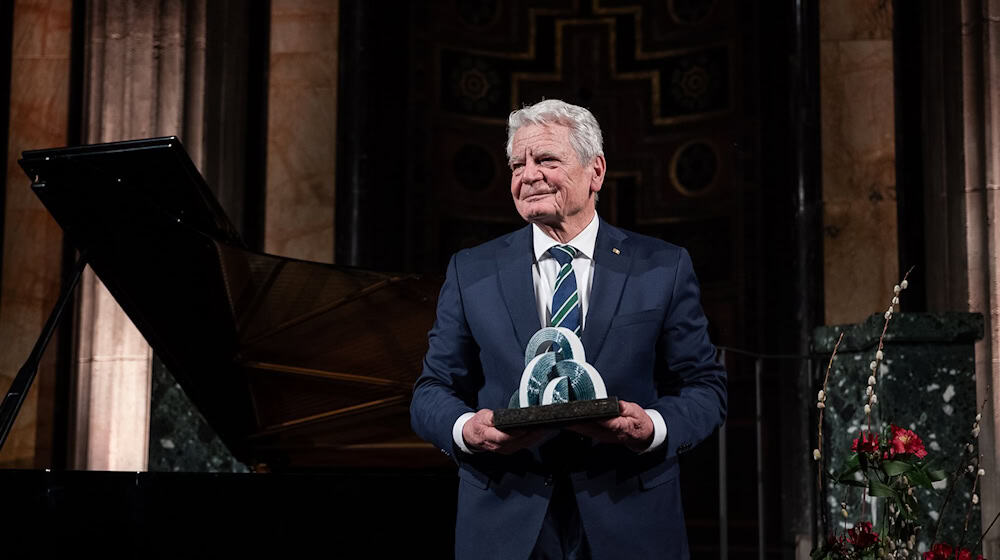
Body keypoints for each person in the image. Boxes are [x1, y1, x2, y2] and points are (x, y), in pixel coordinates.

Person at [410, 99, 727, 560]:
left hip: (629, 514)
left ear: (595, 171)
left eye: (547, 160)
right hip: (506, 520)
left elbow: (705, 385)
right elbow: (430, 389)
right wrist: (465, 429)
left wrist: (653, 427)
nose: (528, 174)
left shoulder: (663, 266)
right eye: (517, 164)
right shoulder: (470, 270)